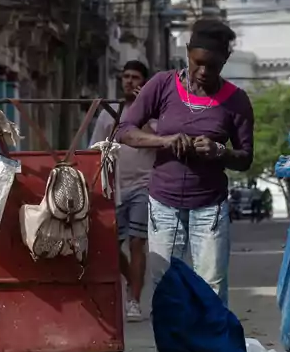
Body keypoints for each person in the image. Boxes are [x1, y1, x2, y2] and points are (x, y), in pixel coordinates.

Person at [116, 18, 254, 306]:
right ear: (188, 52)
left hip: (210, 208)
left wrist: (219, 151)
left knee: (211, 289)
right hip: (164, 205)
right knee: (167, 289)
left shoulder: (236, 101)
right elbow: (125, 131)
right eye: (197, 63)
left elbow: (245, 158)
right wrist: (165, 141)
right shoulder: (162, 85)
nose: (203, 72)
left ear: (225, 60)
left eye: (212, 66)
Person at [90, 59, 155, 322]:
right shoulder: (110, 113)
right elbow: (95, 147)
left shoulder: (154, 113)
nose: (129, 81)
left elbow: (158, 140)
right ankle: (132, 280)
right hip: (114, 187)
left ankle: (134, 300)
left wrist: (144, 110)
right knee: (110, 246)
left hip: (144, 185)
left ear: (144, 83)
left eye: (135, 77)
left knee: (137, 243)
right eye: (126, 77)